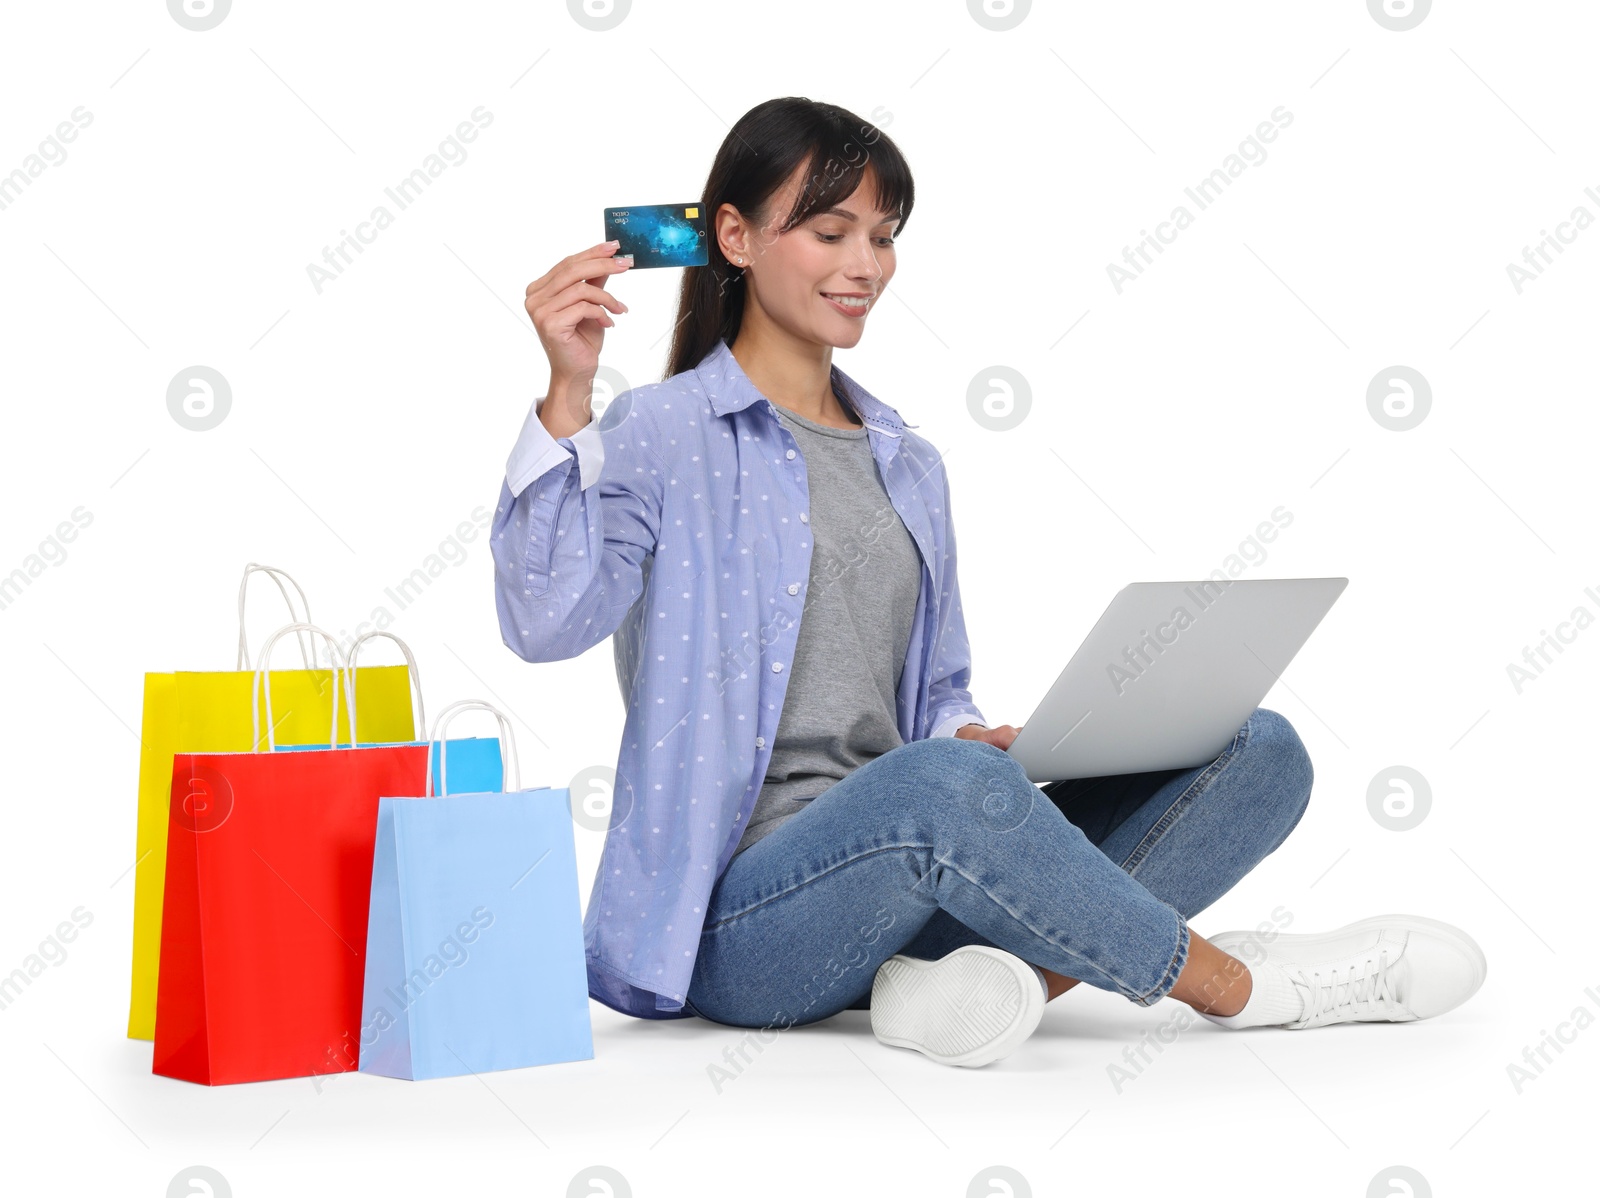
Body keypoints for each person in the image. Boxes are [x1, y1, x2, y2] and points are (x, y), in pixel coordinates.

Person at [491, 96, 1486, 1068]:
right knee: (943, 787)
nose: (864, 266)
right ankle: (1244, 988)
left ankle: (962, 988)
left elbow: (934, 695)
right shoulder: (660, 433)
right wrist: (568, 395)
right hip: (743, 928)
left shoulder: (906, 460)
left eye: (881, 236)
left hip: (921, 882)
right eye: (830, 231)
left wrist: (971, 737)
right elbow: (543, 621)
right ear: (736, 238)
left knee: (1260, 751)